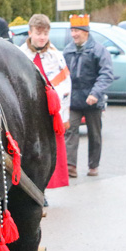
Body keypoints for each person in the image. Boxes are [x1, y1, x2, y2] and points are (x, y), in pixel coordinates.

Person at [19, 14, 71, 192]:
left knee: (46, 154)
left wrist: (61, 113)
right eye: (38, 33)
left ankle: (44, 188)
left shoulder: (56, 56)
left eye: (45, 34)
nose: (42, 37)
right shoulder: (19, 55)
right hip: (28, 115)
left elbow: (65, 85)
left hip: (49, 114)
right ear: (30, 32)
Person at [63, 14, 114, 178]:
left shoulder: (99, 50)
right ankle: (71, 166)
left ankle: (93, 165)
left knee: (95, 135)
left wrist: (95, 93)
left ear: (86, 32)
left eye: (77, 30)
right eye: (72, 30)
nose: (73, 34)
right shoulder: (68, 50)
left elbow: (106, 75)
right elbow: (63, 75)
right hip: (74, 101)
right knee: (70, 132)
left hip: (93, 101)